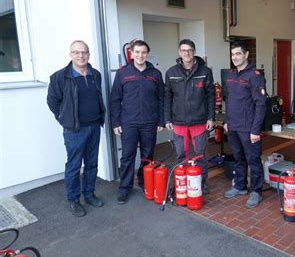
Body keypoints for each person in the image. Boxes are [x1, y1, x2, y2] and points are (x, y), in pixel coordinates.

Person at [47, 40, 106, 217]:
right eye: (76, 52)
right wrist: (64, 118)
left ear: (89, 54)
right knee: (73, 166)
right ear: (70, 54)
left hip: (94, 126)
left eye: (84, 52)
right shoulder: (60, 77)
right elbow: (52, 101)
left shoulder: (95, 74)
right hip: (75, 130)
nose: (81, 56)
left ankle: (89, 194)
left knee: (92, 163)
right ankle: (74, 199)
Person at [111, 40, 164, 204]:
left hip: (150, 122)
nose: (140, 55)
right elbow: (115, 99)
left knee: (147, 156)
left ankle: (144, 182)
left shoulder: (155, 73)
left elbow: (161, 98)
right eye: (137, 52)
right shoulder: (123, 73)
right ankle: (124, 188)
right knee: (127, 156)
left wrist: (161, 121)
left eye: (143, 52)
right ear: (131, 54)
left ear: (147, 54)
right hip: (129, 123)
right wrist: (116, 123)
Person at [164, 39, 215, 194]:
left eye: (190, 50)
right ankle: (183, 181)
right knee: (181, 155)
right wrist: (167, 118)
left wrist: (210, 117)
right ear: (179, 52)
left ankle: (202, 182)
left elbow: (211, 96)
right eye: (183, 50)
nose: (186, 53)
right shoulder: (171, 73)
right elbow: (167, 97)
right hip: (178, 121)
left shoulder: (205, 72)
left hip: (199, 121)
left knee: (200, 155)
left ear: (194, 51)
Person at [223, 41, 266, 209]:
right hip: (233, 126)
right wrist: (226, 121)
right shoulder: (231, 75)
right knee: (238, 158)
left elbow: (261, 104)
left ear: (246, 55)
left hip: (248, 128)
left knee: (253, 160)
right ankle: (240, 186)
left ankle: (256, 191)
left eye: (238, 54)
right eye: (233, 54)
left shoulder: (254, 75)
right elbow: (229, 100)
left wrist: (256, 130)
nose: (235, 57)